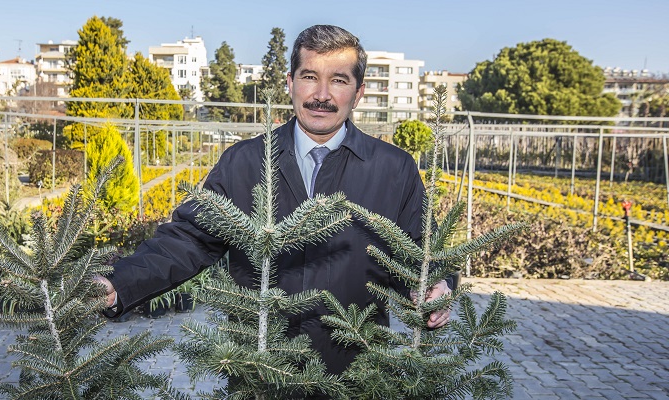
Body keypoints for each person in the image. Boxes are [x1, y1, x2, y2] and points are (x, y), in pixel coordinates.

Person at [96, 24, 453, 375]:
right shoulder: (244, 163)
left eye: (339, 80)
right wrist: (119, 284)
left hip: (359, 375)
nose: (322, 95)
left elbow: (424, 254)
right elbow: (189, 240)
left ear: (358, 93)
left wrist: (438, 286)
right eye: (310, 76)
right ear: (290, 83)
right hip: (260, 373)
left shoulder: (393, 169)